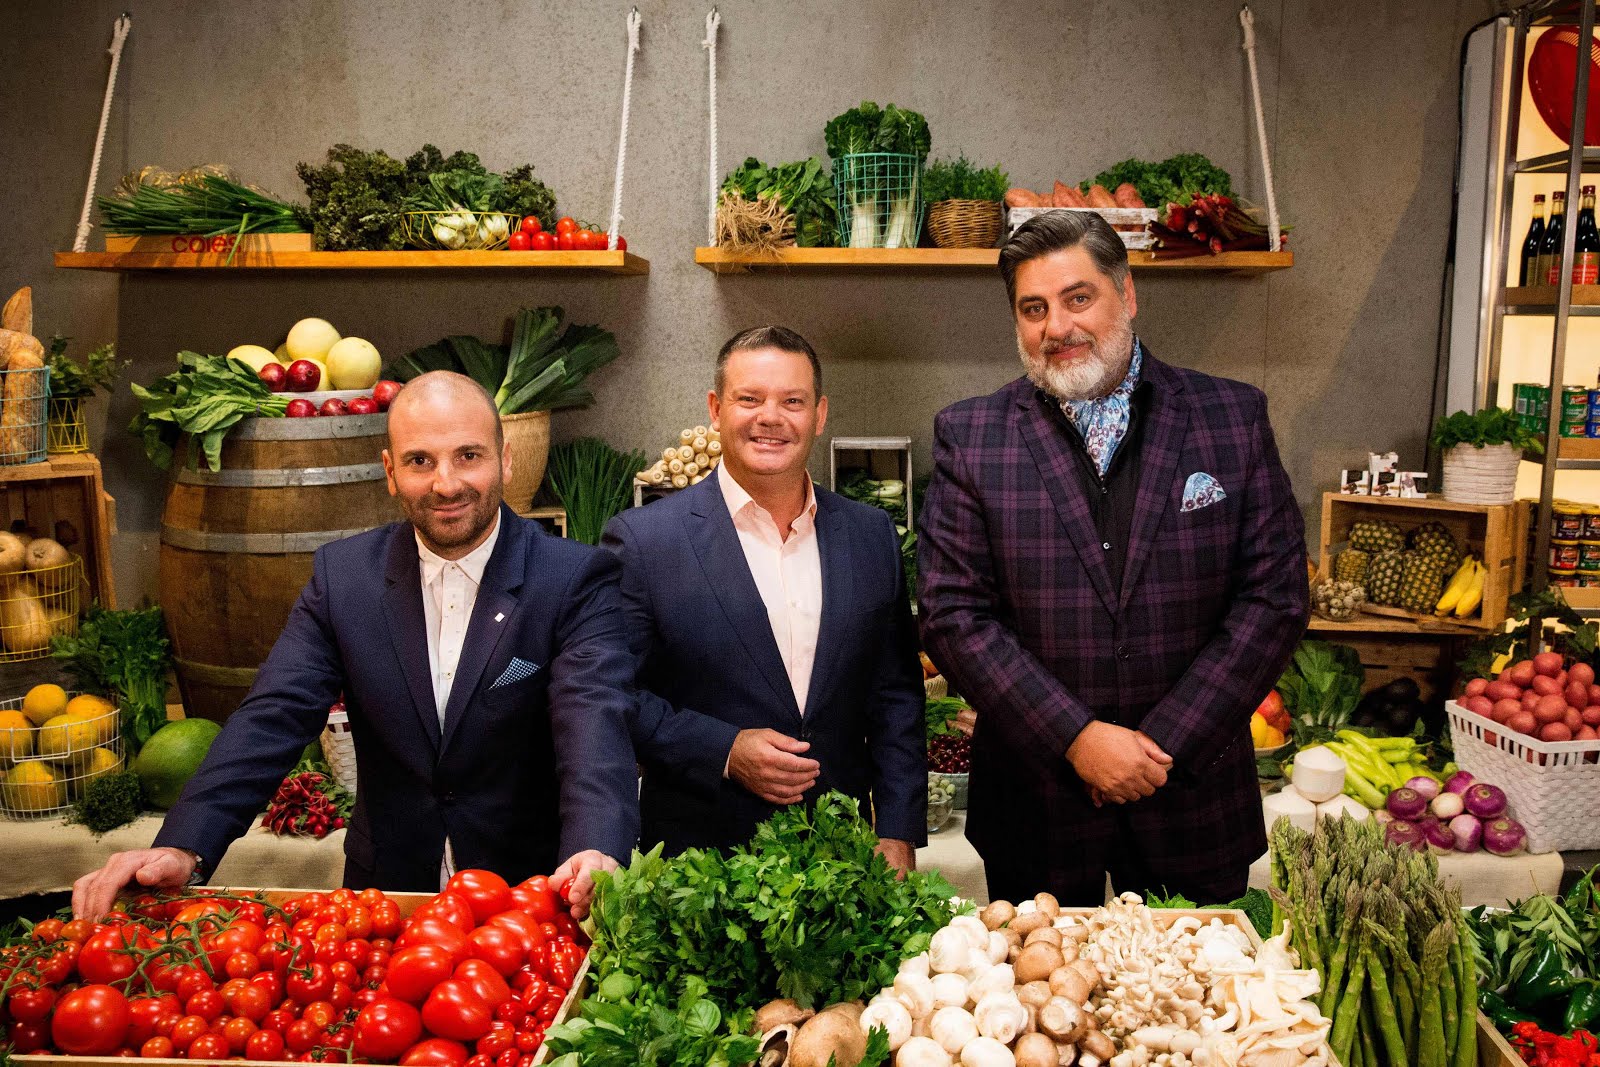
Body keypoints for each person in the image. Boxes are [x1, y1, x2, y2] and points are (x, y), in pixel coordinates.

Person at [72, 372, 640, 919]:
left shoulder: (574, 578)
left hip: (530, 898)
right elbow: (274, 714)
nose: (446, 484)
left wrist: (593, 846)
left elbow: (593, 724)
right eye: (420, 461)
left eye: (468, 455)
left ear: (506, 459)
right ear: (390, 471)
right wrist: (184, 846)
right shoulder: (344, 577)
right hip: (382, 900)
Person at [917, 212, 1309, 905]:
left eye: (1078, 297)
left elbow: (1273, 599)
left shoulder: (1231, 417)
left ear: (1126, 294)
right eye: (1033, 308)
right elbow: (954, 616)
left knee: (1202, 980)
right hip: (1036, 808)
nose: (1057, 326)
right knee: (1037, 982)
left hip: (1191, 801)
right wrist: (1077, 738)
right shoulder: (971, 435)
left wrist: (1161, 744)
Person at [602, 326, 926, 866]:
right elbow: (613, 696)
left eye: (792, 401)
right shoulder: (644, 542)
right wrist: (723, 750)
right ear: (716, 409)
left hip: (844, 863)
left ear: (819, 415)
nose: (770, 417)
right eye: (749, 399)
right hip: (701, 867)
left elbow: (896, 696)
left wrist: (897, 829)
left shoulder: (870, 535)